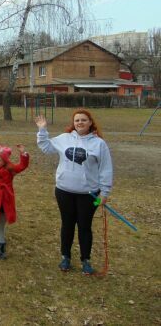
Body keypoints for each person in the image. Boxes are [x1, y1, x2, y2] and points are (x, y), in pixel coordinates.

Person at [36, 110, 113, 275]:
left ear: (90, 122)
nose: (80, 123)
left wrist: (104, 193)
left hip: (89, 195)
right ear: (73, 123)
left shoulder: (99, 144)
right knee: (67, 224)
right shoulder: (64, 138)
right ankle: (65, 257)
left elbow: (105, 169)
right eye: (77, 120)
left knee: (85, 226)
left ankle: (86, 260)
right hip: (64, 191)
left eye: (83, 120)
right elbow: (46, 147)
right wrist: (42, 130)